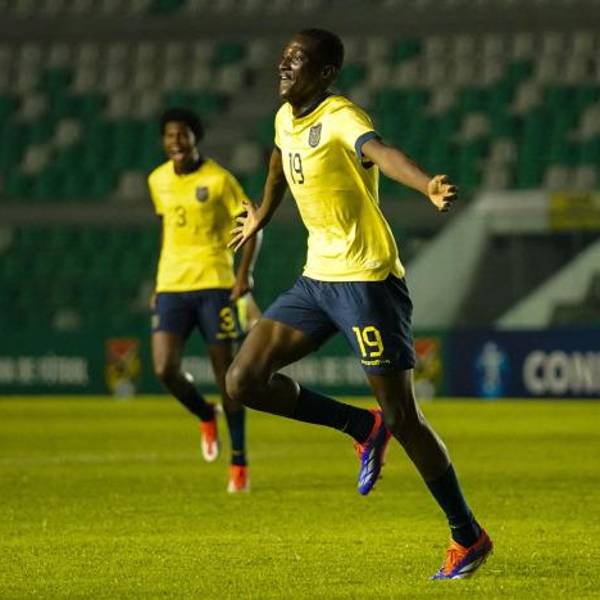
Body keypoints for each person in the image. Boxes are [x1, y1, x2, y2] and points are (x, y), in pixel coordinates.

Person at [226, 29, 492, 578]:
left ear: (325, 73)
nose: (284, 66)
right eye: (283, 57)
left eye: (297, 60)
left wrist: (426, 185)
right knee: (243, 380)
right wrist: (262, 215)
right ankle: (359, 427)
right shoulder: (283, 118)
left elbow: (382, 153)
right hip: (316, 280)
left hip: (367, 281)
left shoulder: (342, 116)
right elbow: (279, 162)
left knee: (404, 416)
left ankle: (468, 535)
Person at [148, 107, 261, 493]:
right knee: (164, 368)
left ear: (195, 138)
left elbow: (253, 224)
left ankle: (239, 461)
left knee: (228, 378)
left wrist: (243, 275)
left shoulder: (218, 180)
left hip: (215, 285)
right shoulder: (157, 180)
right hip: (171, 286)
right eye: (169, 136)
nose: (176, 142)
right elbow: (167, 229)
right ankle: (204, 412)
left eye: (182, 135)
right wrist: (158, 281)